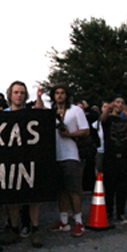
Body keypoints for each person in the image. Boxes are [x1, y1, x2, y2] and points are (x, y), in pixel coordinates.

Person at [0, 81, 43, 248]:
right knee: (13, 198)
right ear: (10, 94)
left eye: (22, 93)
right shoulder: (3, 115)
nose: (19, 95)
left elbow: (42, 116)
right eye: (16, 92)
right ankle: (14, 229)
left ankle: (36, 229)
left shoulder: (32, 114)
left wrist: (39, 98)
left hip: (30, 159)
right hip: (10, 160)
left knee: (33, 197)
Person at [40, 85, 89, 237]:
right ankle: (64, 221)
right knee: (61, 190)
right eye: (57, 93)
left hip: (71, 155)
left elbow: (85, 130)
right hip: (56, 155)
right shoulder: (51, 112)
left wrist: (70, 134)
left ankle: (79, 220)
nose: (59, 96)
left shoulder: (76, 110)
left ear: (67, 95)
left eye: (62, 93)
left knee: (73, 189)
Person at [101, 96, 127, 222]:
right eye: (118, 102)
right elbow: (103, 120)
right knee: (109, 186)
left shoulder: (124, 120)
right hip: (110, 156)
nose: (120, 104)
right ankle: (109, 211)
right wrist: (108, 108)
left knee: (122, 187)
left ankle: (120, 212)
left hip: (122, 156)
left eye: (122, 102)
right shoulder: (109, 119)